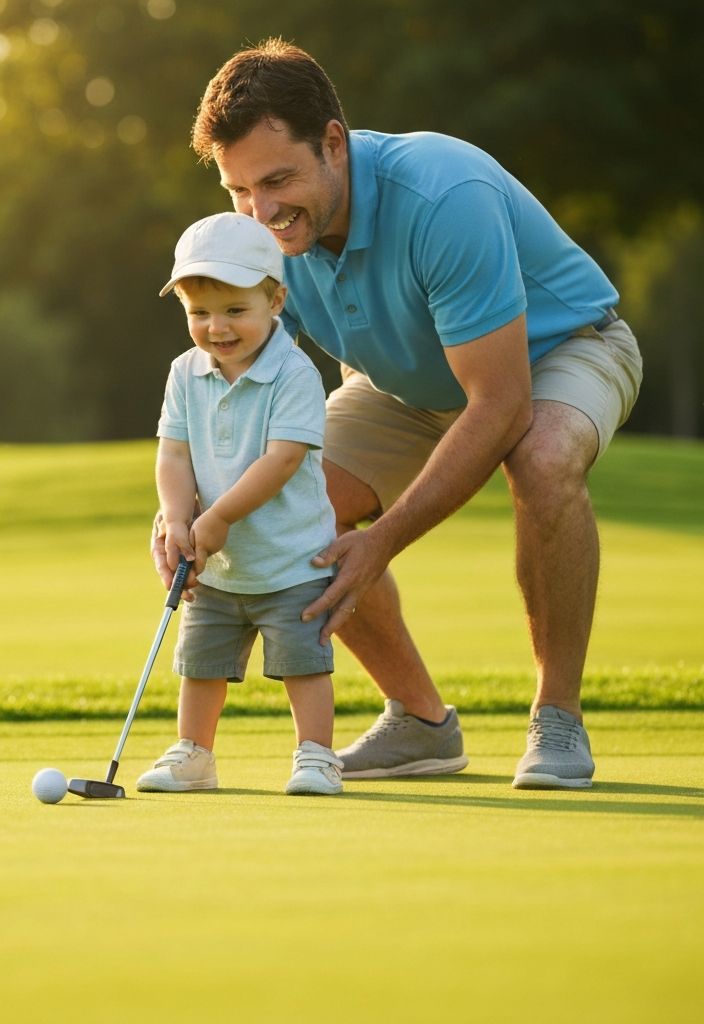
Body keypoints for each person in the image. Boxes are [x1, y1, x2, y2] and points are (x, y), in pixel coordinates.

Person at [154, 39, 642, 790]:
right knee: (293, 506)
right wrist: (183, 508)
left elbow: (501, 403)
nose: (261, 212)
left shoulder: (444, 194)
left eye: (278, 180)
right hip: (401, 385)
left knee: (542, 457)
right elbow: (244, 389)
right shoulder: (260, 240)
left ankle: (558, 717)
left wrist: (381, 541)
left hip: (556, 352)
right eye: (238, 189)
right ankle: (420, 722)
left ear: (334, 143)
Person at [137, 211, 344, 796]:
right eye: (200, 313)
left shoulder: (294, 373)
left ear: (275, 300)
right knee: (200, 665)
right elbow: (173, 453)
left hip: (292, 559)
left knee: (303, 664)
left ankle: (316, 755)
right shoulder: (185, 372)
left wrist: (220, 515)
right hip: (214, 566)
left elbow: (282, 459)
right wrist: (177, 516)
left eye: (234, 310)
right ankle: (195, 754)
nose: (217, 327)